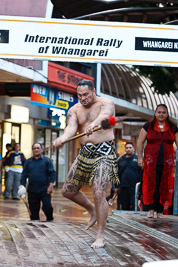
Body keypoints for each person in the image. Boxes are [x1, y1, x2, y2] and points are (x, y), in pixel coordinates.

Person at [53, 80, 119, 248]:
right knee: (68, 191)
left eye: (86, 94)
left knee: (99, 193)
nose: (82, 98)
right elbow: (71, 127)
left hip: (104, 152)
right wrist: (63, 138)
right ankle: (92, 210)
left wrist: (94, 124)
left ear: (93, 91)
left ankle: (101, 235)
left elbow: (106, 115)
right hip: (85, 153)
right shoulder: (74, 110)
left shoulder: (106, 102)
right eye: (79, 95)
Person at [137, 104, 178, 218]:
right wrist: (140, 157)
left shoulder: (173, 127)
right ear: (155, 113)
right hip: (150, 163)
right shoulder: (148, 126)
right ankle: (150, 210)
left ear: (167, 114)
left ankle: (160, 211)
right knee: (150, 185)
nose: (161, 114)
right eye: (159, 112)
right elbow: (140, 142)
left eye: (163, 112)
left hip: (167, 163)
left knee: (164, 185)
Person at [18, 143, 56, 221]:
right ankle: (35, 227)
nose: (36, 150)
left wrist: (51, 185)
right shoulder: (28, 162)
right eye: (34, 148)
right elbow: (24, 175)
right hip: (32, 190)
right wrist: (22, 186)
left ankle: (50, 219)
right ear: (32, 150)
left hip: (45, 189)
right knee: (33, 211)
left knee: (47, 207)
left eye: (38, 148)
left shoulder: (47, 161)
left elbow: (52, 173)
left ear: (41, 150)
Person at [117, 142, 141, 210]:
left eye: (130, 148)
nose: (128, 149)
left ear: (133, 149)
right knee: (124, 207)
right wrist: (116, 186)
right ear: (125, 149)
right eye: (127, 148)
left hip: (135, 188)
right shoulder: (121, 160)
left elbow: (141, 173)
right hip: (123, 187)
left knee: (135, 207)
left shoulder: (138, 159)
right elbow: (117, 173)